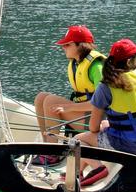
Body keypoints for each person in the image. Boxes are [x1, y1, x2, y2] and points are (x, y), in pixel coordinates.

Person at [73, 37, 136, 187]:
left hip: (124, 145)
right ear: (129, 62)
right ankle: (79, 172)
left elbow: (93, 128)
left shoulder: (106, 86)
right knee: (106, 124)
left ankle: (98, 168)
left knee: (76, 140)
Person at [33, 24, 105, 165]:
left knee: (51, 102)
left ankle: (52, 154)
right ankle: (47, 147)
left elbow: (100, 103)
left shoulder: (96, 67)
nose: (63, 47)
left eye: (67, 44)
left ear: (80, 45)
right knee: (41, 97)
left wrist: (68, 108)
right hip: (85, 114)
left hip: (98, 120)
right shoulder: (77, 63)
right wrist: (69, 107)